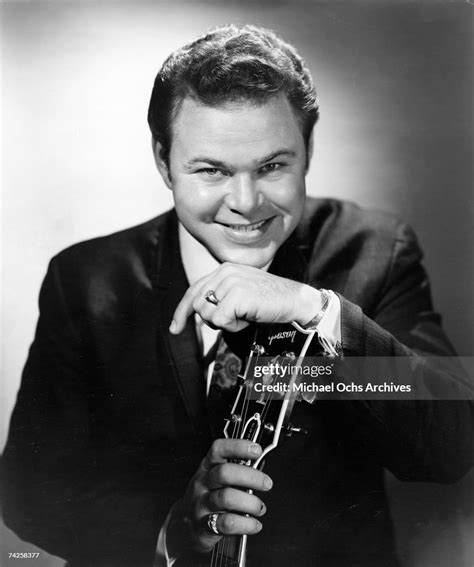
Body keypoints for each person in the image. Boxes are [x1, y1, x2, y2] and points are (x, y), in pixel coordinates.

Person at [1, 24, 473, 567]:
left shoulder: (375, 249)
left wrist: (314, 310)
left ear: (309, 149)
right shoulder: (85, 280)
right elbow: (28, 491)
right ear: (163, 161)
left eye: (272, 166)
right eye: (211, 170)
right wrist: (168, 530)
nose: (246, 204)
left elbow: (452, 446)